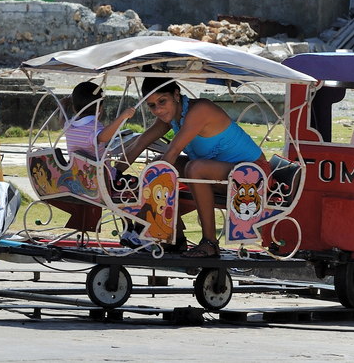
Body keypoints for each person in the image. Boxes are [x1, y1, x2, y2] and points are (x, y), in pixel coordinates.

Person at [115, 75, 268, 258]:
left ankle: (209, 243)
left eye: (162, 101)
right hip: (226, 175)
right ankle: (175, 238)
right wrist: (113, 174)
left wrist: (146, 203)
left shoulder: (200, 110)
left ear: (176, 95)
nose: (158, 109)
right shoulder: (172, 116)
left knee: (191, 168)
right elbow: (140, 143)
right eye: (152, 105)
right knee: (159, 163)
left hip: (252, 176)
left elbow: (172, 152)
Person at [62, 81, 126, 161]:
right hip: (100, 172)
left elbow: (61, 120)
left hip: (75, 172)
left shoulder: (69, 125)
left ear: (74, 108)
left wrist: (63, 106)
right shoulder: (94, 128)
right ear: (100, 107)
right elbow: (103, 137)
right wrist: (122, 117)